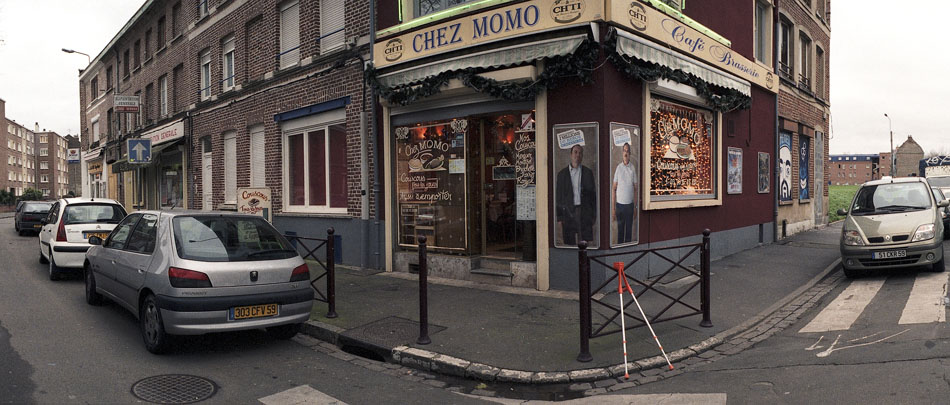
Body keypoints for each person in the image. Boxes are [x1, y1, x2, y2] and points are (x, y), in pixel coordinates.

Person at [555, 144, 596, 245]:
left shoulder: (588, 173)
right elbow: (559, 197)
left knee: (584, 243)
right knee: (569, 241)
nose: (578, 155)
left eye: (580, 153)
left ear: (582, 156)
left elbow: (593, 197)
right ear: (571, 154)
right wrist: (559, 217)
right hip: (568, 212)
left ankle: (583, 261)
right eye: (575, 152)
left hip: (584, 211)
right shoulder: (562, 175)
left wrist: (593, 215)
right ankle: (571, 260)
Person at [612, 142, 637, 244]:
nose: (626, 153)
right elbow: (613, 189)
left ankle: (628, 255)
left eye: (627, 151)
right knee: (620, 232)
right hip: (619, 206)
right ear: (622, 153)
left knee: (628, 233)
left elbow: (636, 189)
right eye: (624, 151)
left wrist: (635, 207)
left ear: (630, 153)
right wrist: (613, 209)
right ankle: (619, 254)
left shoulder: (632, 169)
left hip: (629, 206)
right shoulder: (618, 168)